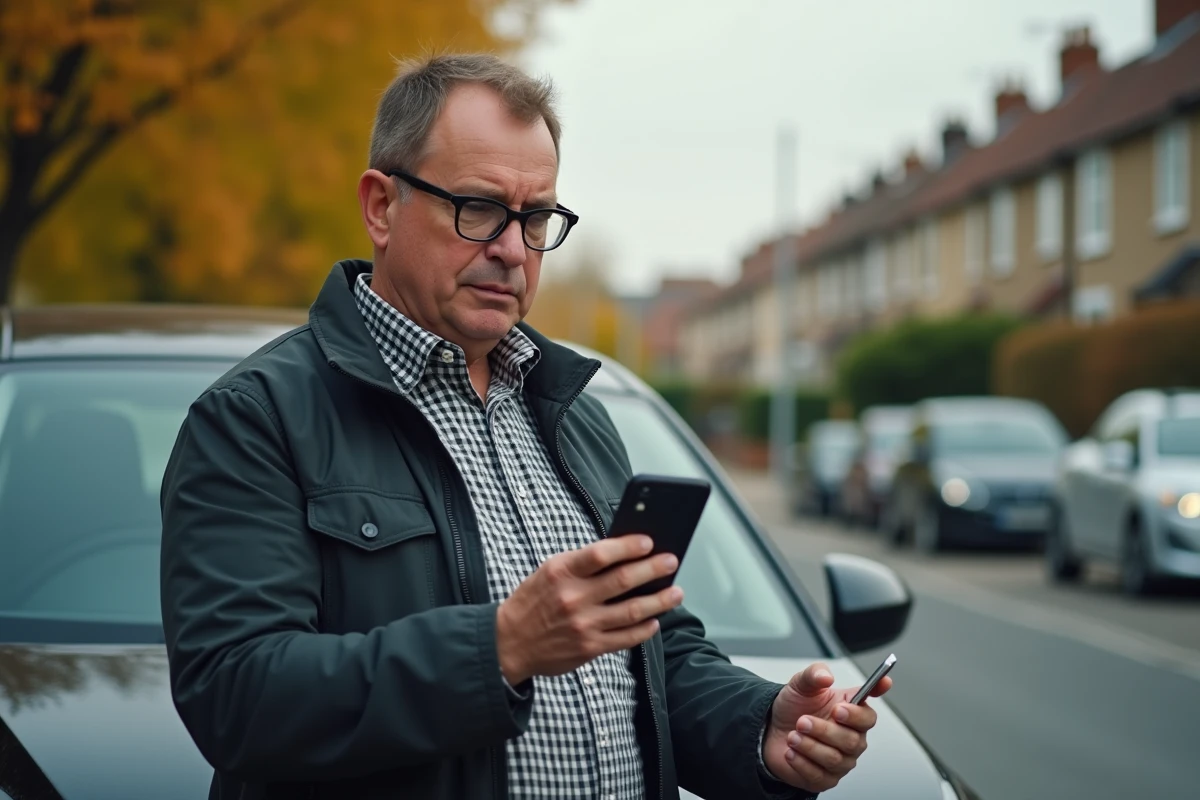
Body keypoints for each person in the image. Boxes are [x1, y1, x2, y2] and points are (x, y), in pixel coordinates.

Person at [159, 53, 891, 800]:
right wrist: (500, 647)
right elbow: (236, 695)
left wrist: (760, 727)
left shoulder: (574, 414)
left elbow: (653, 649)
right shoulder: (257, 417)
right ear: (381, 206)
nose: (511, 249)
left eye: (535, 217)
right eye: (478, 208)